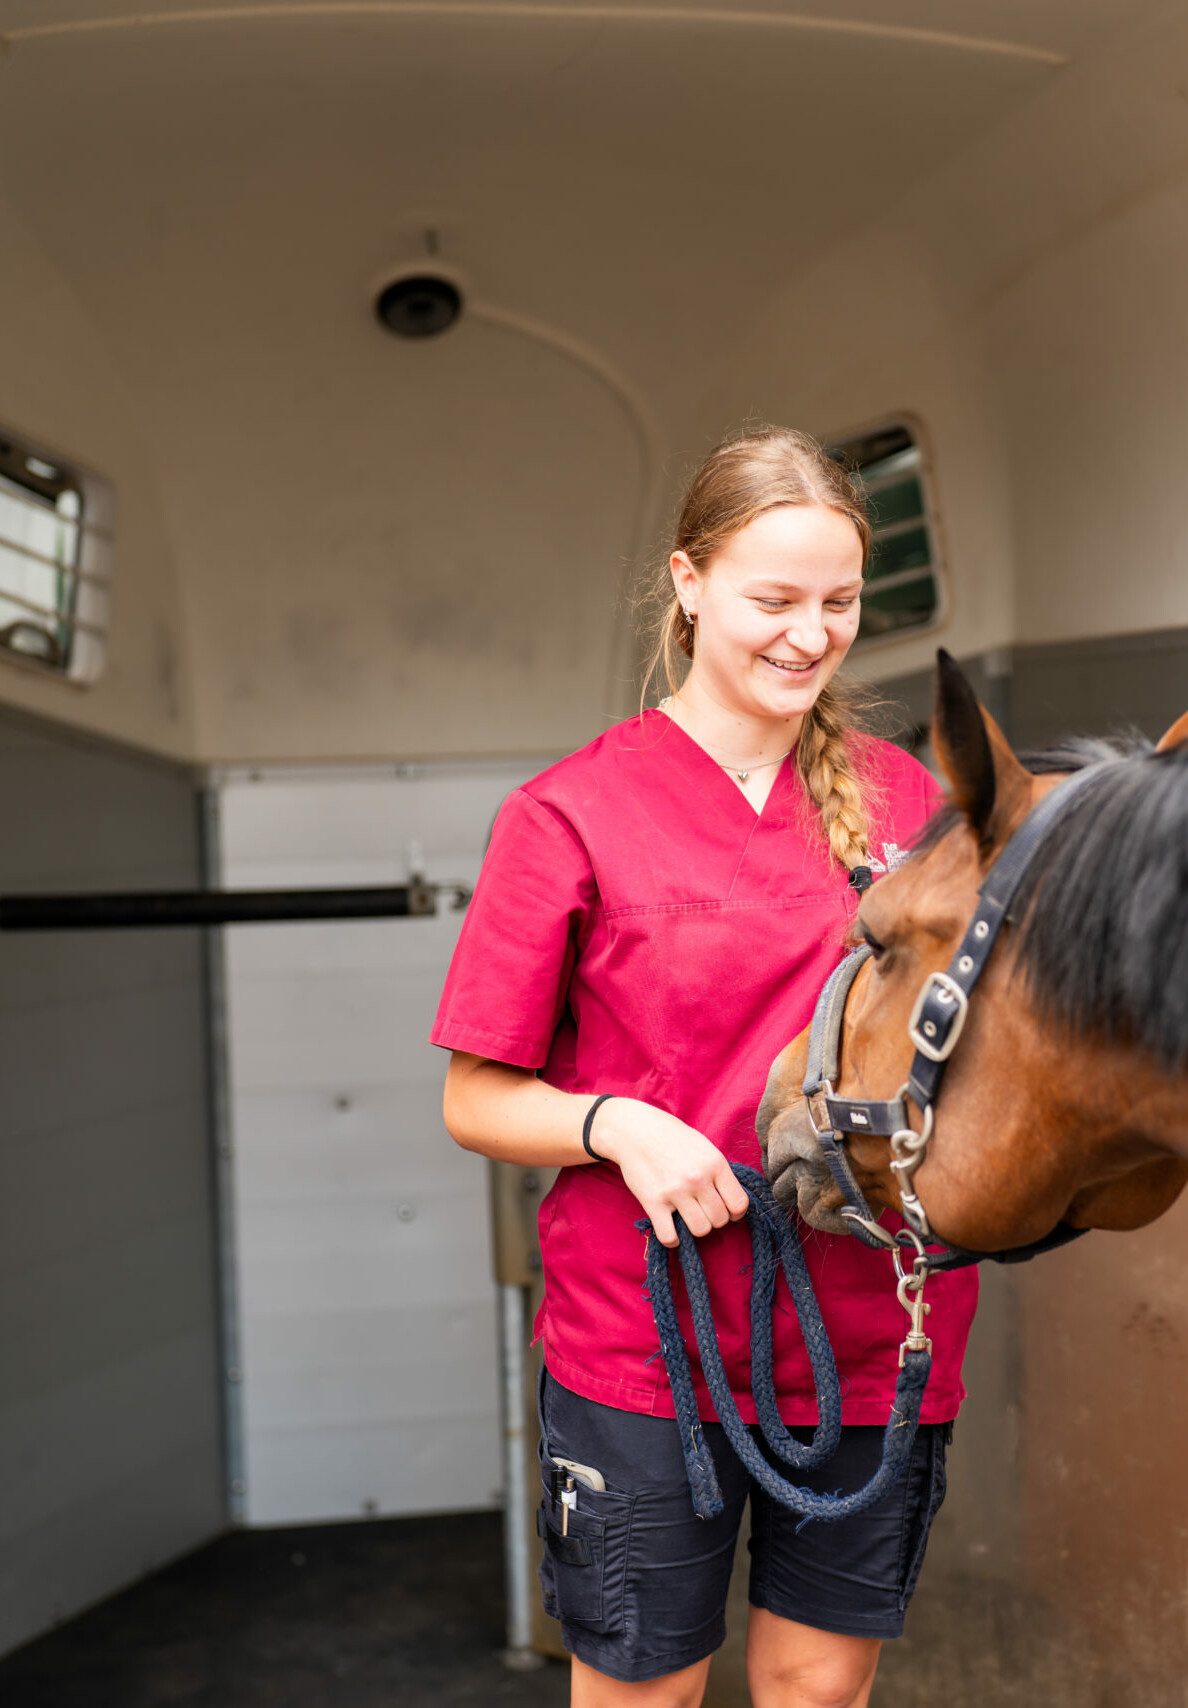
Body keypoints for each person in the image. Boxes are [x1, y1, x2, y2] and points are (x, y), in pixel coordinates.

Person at [432, 427, 979, 1708]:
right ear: (688, 583)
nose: (809, 634)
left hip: (865, 1335)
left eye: (838, 602)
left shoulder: (911, 809)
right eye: (773, 600)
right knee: (647, 1694)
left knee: (814, 1690)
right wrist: (621, 1125)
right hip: (646, 1342)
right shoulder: (566, 815)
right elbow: (473, 1098)